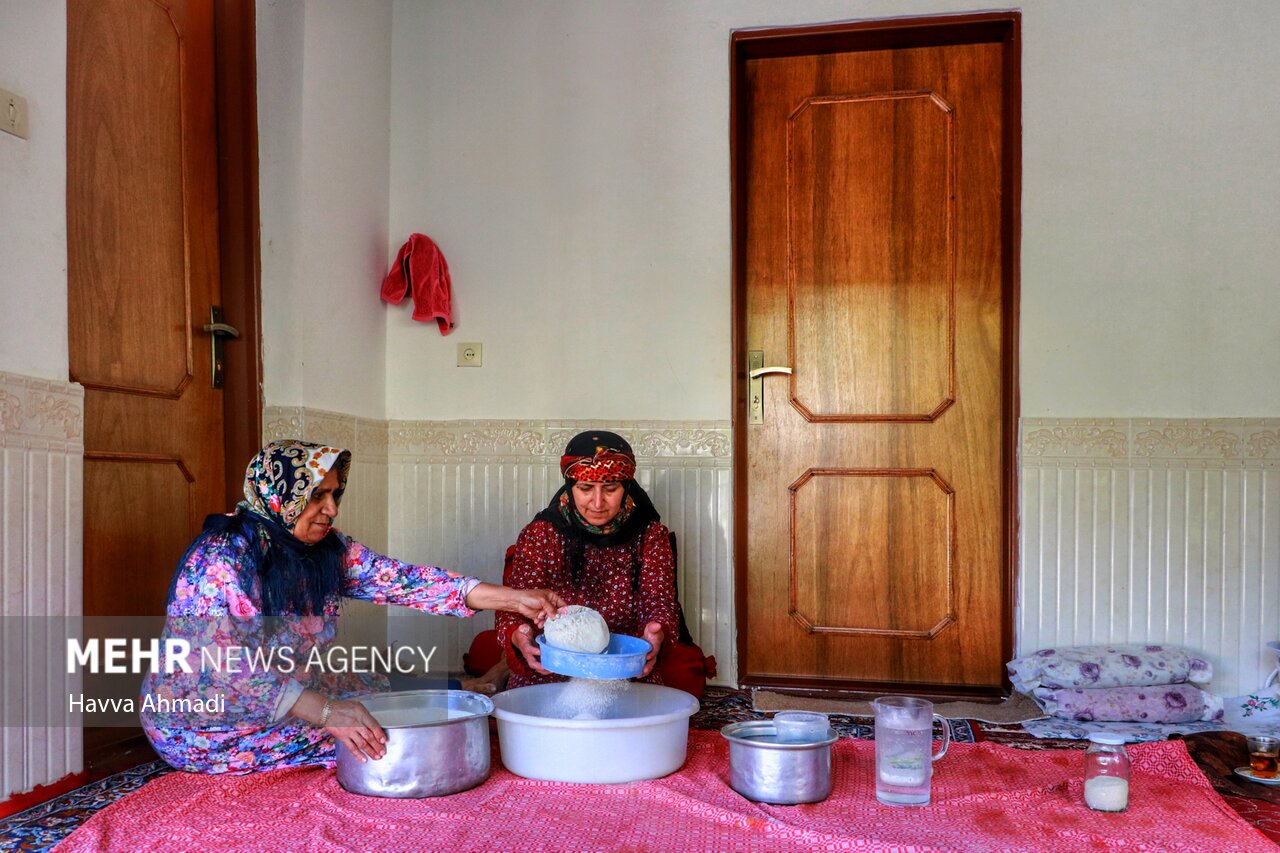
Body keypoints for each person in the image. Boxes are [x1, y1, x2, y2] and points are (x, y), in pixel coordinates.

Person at [140, 440, 563, 774]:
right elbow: (223, 666)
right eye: (317, 496)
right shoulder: (221, 560)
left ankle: (476, 688)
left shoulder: (323, 548)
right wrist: (326, 712)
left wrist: (516, 599)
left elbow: (405, 581)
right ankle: (468, 694)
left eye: (335, 494)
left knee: (370, 687)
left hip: (287, 683)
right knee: (379, 734)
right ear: (279, 495)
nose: (332, 509)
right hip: (206, 721)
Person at [496, 430, 679, 688]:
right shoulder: (541, 534)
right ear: (571, 486)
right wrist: (519, 634)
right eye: (585, 488)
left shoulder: (649, 535)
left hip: (622, 666)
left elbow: (658, 600)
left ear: (626, 487)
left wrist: (655, 631)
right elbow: (514, 603)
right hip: (551, 669)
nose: (597, 502)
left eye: (610, 488)